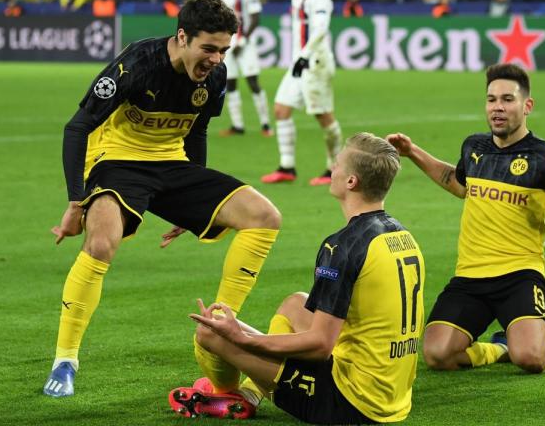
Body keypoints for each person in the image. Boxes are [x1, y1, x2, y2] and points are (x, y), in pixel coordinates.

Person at [42, 0, 282, 398]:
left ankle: (219, 324)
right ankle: (65, 360)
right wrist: (75, 202)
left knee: (265, 216)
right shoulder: (135, 65)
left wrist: (196, 205)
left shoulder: (215, 76)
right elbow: (76, 128)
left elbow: (198, 131)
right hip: (116, 162)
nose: (217, 59)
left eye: (224, 50)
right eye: (209, 48)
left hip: (171, 163)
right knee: (101, 243)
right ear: (183, 36)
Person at [169, 132, 424, 423]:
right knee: (295, 304)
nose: (333, 169)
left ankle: (229, 395)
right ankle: (253, 390)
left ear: (351, 181)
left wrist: (244, 339)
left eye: (337, 164)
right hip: (393, 393)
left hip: (351, 403)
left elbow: (319, 346)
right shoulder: (402, 235)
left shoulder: (342, 246)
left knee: (209, 333)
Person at [387, 64, 545, 375]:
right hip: (470, 276)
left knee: (531, 358)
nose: (498, 108)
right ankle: (501, 347)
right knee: (438, 356)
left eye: (507, 99)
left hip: (520, 275)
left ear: (527, 105)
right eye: (491, 100)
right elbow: (457, 182)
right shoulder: (474, 147)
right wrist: (413, 152)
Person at [250, 0, 343, 186]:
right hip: (299, 63)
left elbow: (321, 28)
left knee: (324, 117)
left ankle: (336, 169)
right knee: (281, 109)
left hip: (314, 63)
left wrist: (305, 55)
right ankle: (287, 167)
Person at [215, 0, 273, 137]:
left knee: (252, 81)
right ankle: (237, 125)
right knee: (230, 82)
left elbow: (255, 18)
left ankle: (265, 125)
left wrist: (243, 40)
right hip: (227, 43)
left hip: (246, 43)